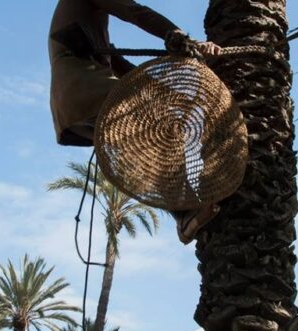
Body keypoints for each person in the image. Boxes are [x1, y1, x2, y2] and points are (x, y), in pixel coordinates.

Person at [49, 0, 221, 244]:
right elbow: (135, 12)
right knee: (165, 122)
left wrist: (172, 92)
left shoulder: (91, 32)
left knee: (148, 141)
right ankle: (190, 199)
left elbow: (124, 70)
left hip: (70, 105)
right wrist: (186, 43)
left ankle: (183, 214)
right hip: (84, 87)